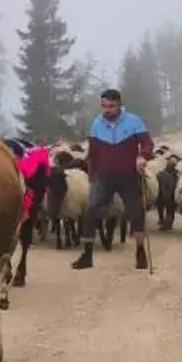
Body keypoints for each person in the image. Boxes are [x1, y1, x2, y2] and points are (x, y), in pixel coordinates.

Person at [72, 88, 154, 271]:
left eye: (111, 106)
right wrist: (92, 176)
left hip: (129, 175)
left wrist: (143, 156)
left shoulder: (134, 121)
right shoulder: (97, 124)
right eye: (104, 106)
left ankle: (140, 251)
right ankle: (87, 254)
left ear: (119, 105)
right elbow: (93, 152)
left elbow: (147, 143)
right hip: (104, 175)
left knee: (136, 212)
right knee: (91, 209)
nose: (107, 110)